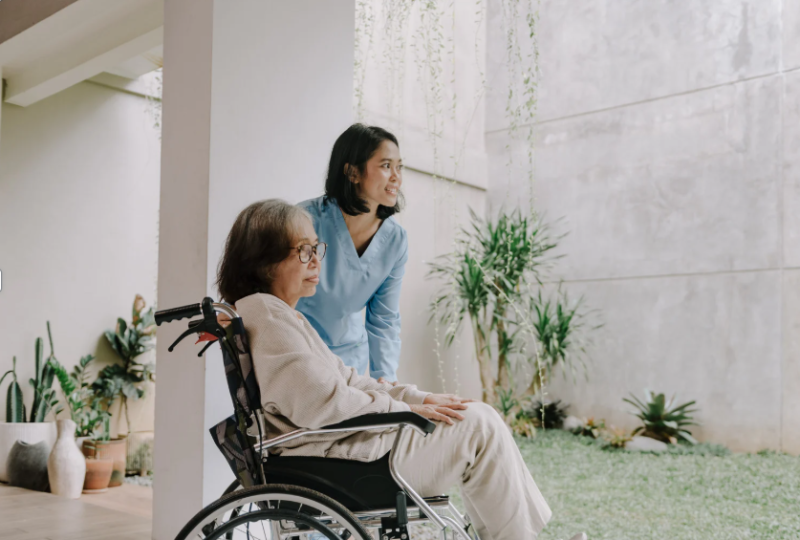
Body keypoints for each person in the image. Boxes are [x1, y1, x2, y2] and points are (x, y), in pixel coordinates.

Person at [214, 199, 562, 540]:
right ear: (264, 261)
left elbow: (347, 380)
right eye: (302, 251)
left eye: (315, 248)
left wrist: (417, 397)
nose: (315, 261)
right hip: (343, 462)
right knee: (479, 425)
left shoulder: (273, 314)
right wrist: (406, 410)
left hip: (339, 450)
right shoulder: (271, 317)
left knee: (473, 416)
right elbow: (323, 403)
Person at [297, 124, 407, 383]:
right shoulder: (303, 221)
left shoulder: (395, 240)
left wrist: (386, 380)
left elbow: (384, 319)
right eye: (385, 165)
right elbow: (269, 289)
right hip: (299, 355)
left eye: (399, 167)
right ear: (352, 172)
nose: (396, 177)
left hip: (350, 366)